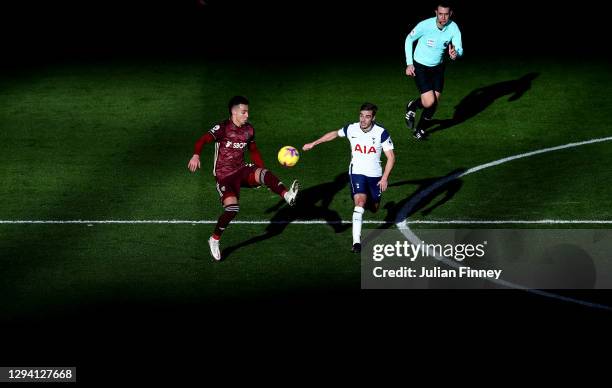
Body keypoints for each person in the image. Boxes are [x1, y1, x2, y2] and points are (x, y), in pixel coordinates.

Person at [188, 96, 299, 261]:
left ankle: (286, 195)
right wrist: (196, 155)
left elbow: (253, 151)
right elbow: (202, 140)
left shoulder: (249, 130)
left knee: (263, 173)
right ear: (234, 111)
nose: (247, 115)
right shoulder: (222, 128)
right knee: (232, 209)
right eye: (243, 112)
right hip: (224, 176)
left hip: (241, 170)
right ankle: (214, 239)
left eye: (247, 111)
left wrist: (262, 170)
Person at [302, 103, 395, 253]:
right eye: (361, 115)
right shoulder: (352, 128)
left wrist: (384, 178)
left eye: (367, 116)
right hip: (356, 172)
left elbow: (391, 157)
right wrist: (314, 143)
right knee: (359, 203)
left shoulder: (381, 133)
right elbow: (334, 134)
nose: (363, 120)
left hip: (375, 176)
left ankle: (373, 201)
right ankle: (356, 242)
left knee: (374, 207)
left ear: (373, 118)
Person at [404, 2, 463, 139]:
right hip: (421, 66)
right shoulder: (425, 25)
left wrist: (456, 54)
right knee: (429, 102)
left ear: (450, 14)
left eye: (446, 14)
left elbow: (459, 48)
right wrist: (409, 63)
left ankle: (419, 130)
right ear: (436, 12)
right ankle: (412, 105)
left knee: (433, 103)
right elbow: (409, 39)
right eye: (440, 14)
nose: (443, 17)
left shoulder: (453, 28)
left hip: (438, 68)